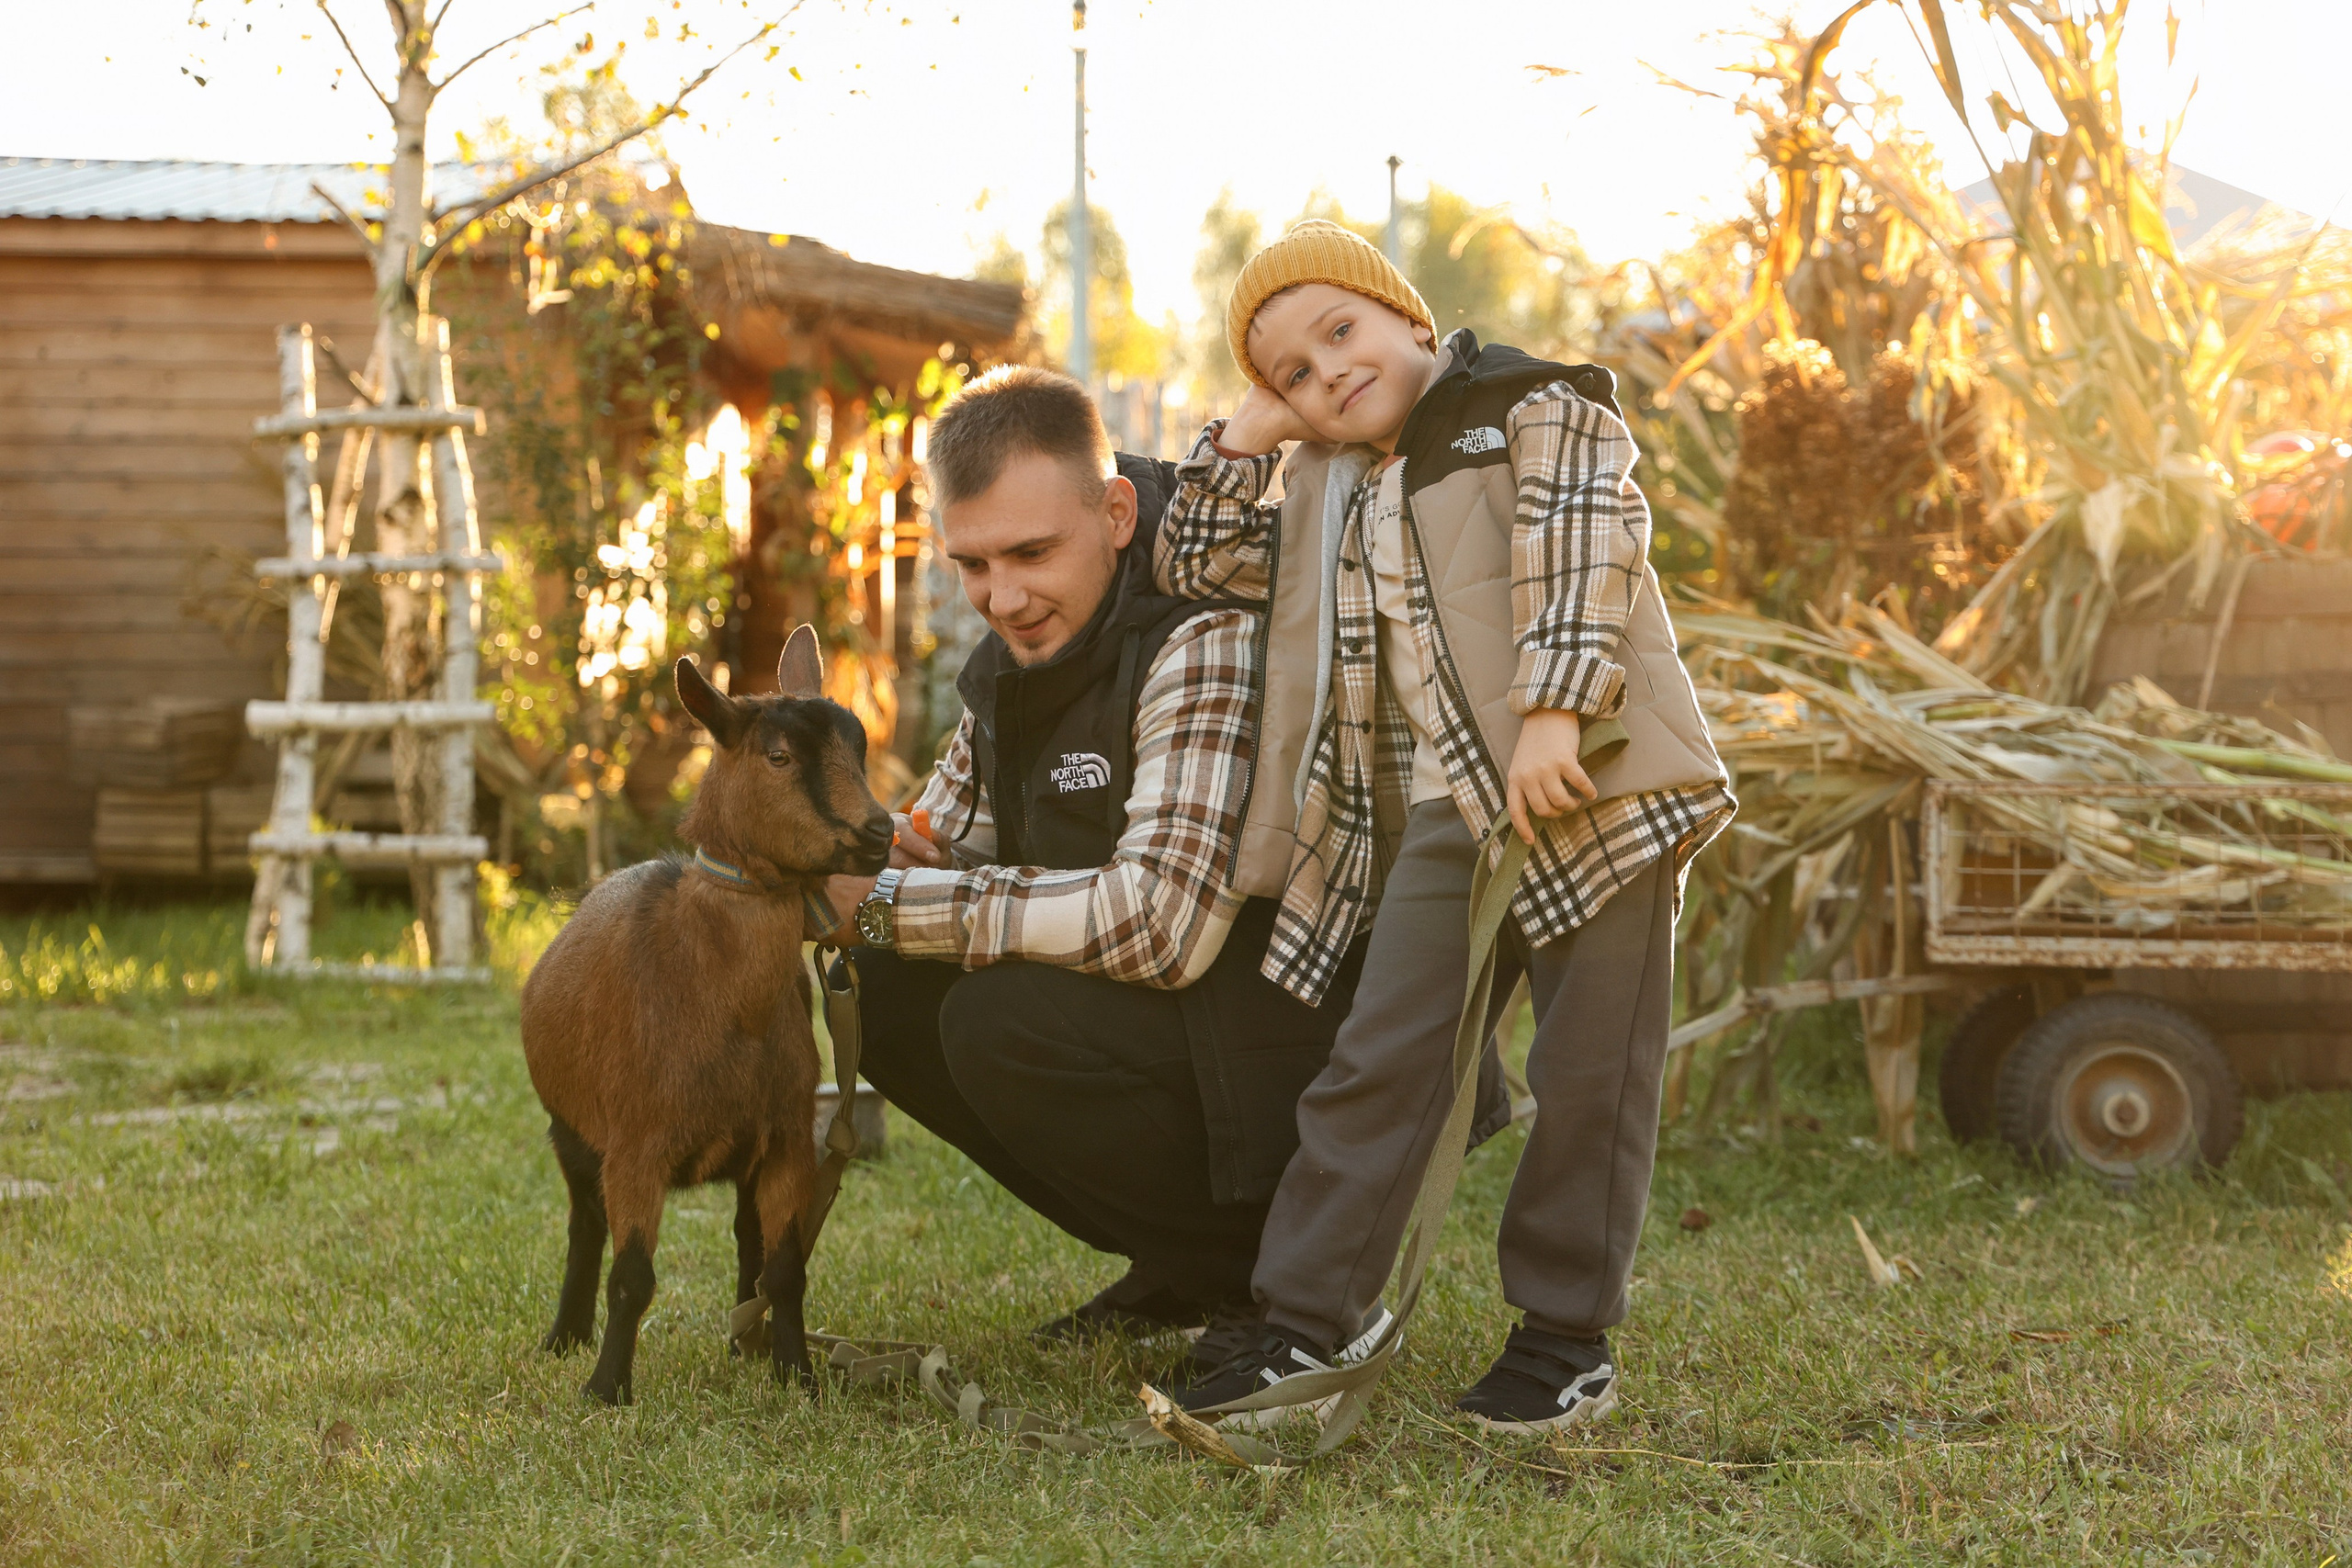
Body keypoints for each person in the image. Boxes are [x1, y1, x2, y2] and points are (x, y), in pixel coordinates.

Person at [1153, 220, 1736, 1433]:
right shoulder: (1324, 485)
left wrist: (1556, 713)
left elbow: (1583, 541)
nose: (1327, 374)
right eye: (1293, 374)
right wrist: (1242, 440)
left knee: (1593, 1072)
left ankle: (1565, 1336)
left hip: (1592, 782)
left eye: (1340, 331)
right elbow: (1194, 564)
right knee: (1384, 1055)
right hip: (1447, 810)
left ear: (1409, 318)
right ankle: (1310, 1317)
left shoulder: (1527, 402)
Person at [821, 365, 1443, 1358]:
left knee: (995, 1017)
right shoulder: (1015, 661)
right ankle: (1187, 1265)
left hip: (1312, 1042)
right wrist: (860, 855)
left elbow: (1160, 927)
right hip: (1195, 1038)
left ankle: (1286, 1279)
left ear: (1115, 513)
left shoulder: (1200, 632)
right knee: (890, 989)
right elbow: (942, 837)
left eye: (1031, 552)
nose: (1003, 598)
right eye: (972, 564)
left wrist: (896, 903)